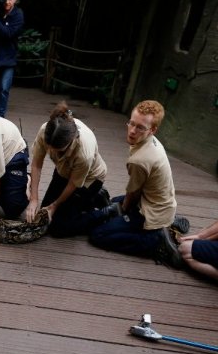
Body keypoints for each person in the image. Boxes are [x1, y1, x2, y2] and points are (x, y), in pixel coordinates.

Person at [89, 100, 189, 267]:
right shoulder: (150, 141)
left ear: (153, 130)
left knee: (98, 234)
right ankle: (167, 223)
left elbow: (133, 194)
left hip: (150, 211)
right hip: (158, 202)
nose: (132, 131)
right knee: (113, 203)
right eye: (131, 123)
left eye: (140, 127)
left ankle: (154, 241)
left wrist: (123, 210)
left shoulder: (140, 160)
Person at [26, 101, 116, 237]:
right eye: (50, 148)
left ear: (71, 141)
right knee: (44, 216)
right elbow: (36, 164)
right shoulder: (45, 130)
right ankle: (89, 200)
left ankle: (104, 211)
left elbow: (74, 183)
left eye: (59, 151)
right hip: (63, 172)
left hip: (89, 179)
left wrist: (55, 206)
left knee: (58, 228)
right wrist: (34, 199)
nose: (52, 153)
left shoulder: (84, 152)